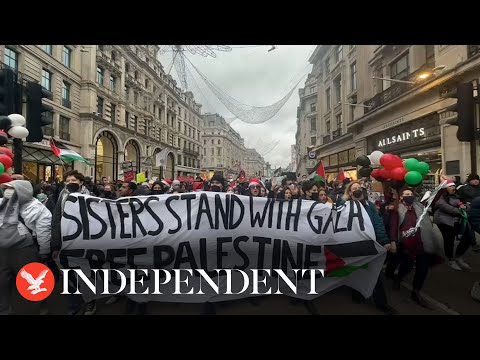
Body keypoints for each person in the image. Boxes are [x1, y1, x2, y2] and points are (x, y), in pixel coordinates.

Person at [343, 181, 399, 315]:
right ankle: (357, 292)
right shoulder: (344, 207)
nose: (357, 190)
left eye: (359, 188)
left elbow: (378, 224)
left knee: (375, 273)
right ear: (350, 193)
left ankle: (382, 303)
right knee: (356, 270)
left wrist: (385, 241)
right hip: (354, 245)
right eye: (354, 189)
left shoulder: (370, 206)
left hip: (370, 244)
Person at [0, 180, 52, 315]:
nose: (8, 192)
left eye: (12, 189)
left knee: (32, 280)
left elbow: (43, 231)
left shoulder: (38, 208)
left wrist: (44, 252)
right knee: (2, 283)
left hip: (24, 249)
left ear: (23, 191)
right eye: (6, 189)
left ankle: (41, 302)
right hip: (2, 250)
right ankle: (4, 310)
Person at [386, 188, 438, 308]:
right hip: (406, 243)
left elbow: (434, 199)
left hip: (422, 241)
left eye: (411, 194)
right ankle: (398, 278)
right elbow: (393, 226)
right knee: (407, 266)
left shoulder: (419, 206)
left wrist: (444, 184)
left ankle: (416, 292)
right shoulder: (396, 208)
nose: (409, 196)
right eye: (406, 194)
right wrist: (393, 241)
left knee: (423, 269)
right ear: (401, 197)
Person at [51, 170, 92, 315]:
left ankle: (89, 302)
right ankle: (73, 306)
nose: (70, 183)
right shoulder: (62, 195)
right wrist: (55, 244)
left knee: (86, 274)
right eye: (67, 180)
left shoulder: (90, 197)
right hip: (66, 241)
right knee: (68, 274)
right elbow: (56, 219)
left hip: (84, 241)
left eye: (73, 180)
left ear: (81, 182)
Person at [433, 180, 472, 270]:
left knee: (467, 238)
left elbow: (467, 205)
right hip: (444, 221)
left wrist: (465, 207)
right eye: (450, 186)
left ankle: (458, 256)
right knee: (449, 240)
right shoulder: (440, 199)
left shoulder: (458, 196)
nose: (453, 188)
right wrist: (463, 210)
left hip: (457, 221)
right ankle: (451, 260)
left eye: (454, 186)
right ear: (445, 189)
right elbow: (449, 209)